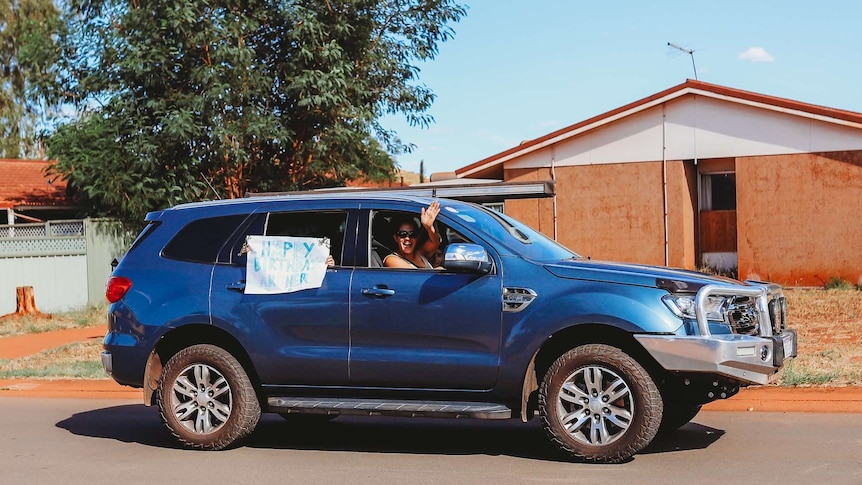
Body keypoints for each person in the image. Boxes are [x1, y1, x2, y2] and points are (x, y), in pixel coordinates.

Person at [383, 200, 441, 269]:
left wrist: (429, 227)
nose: (407, 238)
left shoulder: (420, 253)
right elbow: (415, 277)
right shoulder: (391, 259)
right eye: (403, 234)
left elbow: (435, 242)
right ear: (396, 238)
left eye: (412, 234)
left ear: (417, 237)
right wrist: (437, 271)